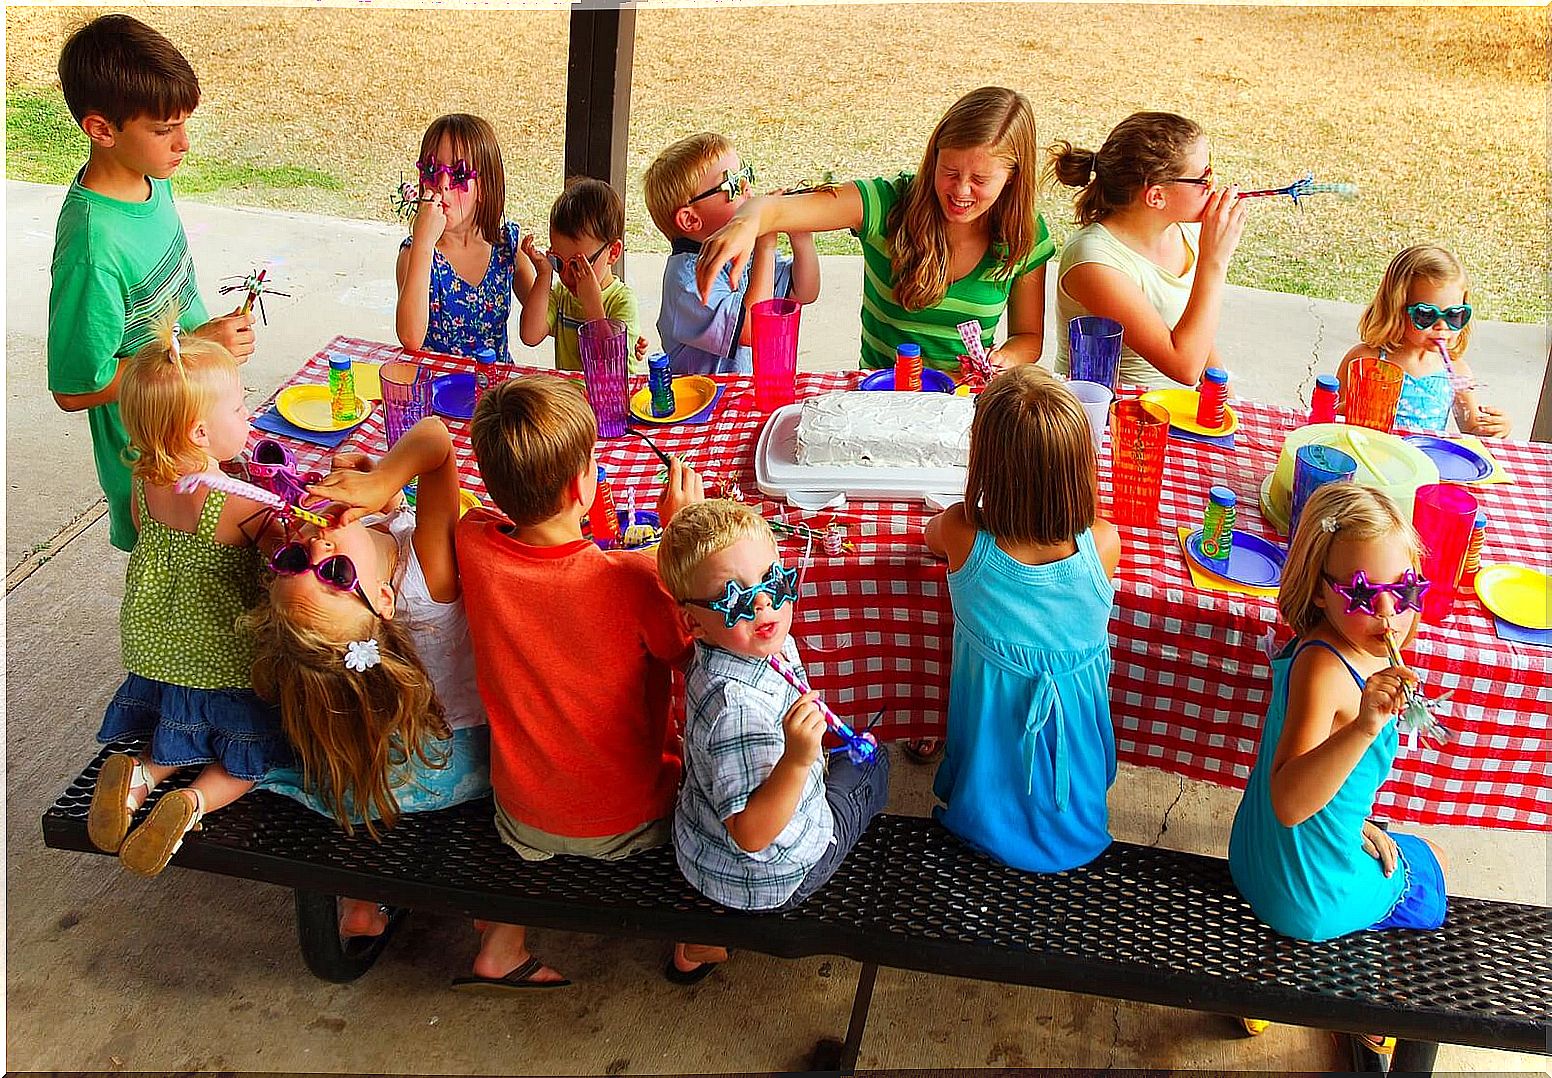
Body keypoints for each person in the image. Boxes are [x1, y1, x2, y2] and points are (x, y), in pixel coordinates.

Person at [452, 376, 719, 988]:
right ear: (581, 486)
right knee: (714, 783)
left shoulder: (474, 545)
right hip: (630, 819)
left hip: (518, 815)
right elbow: (692, 655)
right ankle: (695, 937)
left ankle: (501, 942)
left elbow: (489, 519)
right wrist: (680, 535)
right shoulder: (634, 578)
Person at [245, 417, 490, 941]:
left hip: (366, 773)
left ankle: (361, 901)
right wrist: (387, 480)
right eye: (334, 576)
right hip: (453, 764)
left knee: (359, 751)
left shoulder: (355, 616)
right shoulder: (429, 573)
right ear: (383, 600)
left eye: (294, 560)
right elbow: (436, 441)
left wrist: (379, 505)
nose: (315, 549)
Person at [85, 310, 286, 877]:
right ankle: (194, 801)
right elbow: (287, 566)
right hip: (224, 663)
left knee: (182, 734)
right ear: (201, 433)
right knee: (248, 756)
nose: (248, 414)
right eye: (241, 407)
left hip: (161, 654)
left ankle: (142, 777)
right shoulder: (243, 505)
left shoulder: (144, 484)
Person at [48, 13, 256, 552]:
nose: (183, 143)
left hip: (201, 434)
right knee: (174, 604)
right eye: (164, 130)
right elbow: (75, 389)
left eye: (184, 123)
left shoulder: (150, 182)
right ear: (102, 129)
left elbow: (173, 302)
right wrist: (194, 347)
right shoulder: (93, 248)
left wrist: (208, 344)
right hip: (156, 472)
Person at [694, 87, 1054, 373]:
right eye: (949, 171)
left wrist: (1004, 358)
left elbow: (1028, 338)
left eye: (979, 179)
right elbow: (775, 209)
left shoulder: (1026, 236)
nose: (960, 190)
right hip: (879, 400)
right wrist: (747, 220)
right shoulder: (887, 203)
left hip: (963, 407)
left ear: (1012, 179)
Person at [1229, 483, 1448, 943]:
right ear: (1320, 592)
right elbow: (1288, 804)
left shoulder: (1333, 644)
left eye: (1403, 588)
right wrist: (1367, 727)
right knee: (1432, 871)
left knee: (1392, 842)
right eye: (1363, 594)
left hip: (1258, 854)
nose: (1388, 615)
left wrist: (1352, 822)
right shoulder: (1325, 670)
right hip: (1304, 896)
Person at [657, 500, 890, 932]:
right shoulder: (736, 710)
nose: (764, 603)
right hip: (772, 876)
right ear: (694, 623)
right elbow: (751, 834)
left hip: (705, 847)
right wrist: (799, 759)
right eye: (734, 597)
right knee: (874, 765)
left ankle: (702, 938)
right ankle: (707, 936)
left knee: (841, 750)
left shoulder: (744, 643)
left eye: (773, 580)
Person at [924, 366, 1121, 872]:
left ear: (984, 463)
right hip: (1075, 796)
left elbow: (928, 536)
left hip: (981, 804)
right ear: (1082, 468)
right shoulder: (1104, 543)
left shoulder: (961, 533)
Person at [1047, 112, 1248, 389]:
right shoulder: (1093, 260)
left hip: (1172, 408)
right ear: (1156, 196)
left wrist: (1223, 392)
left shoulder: (1184, 231)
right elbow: (1185, 367)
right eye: (1203, 178)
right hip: (1109, 414)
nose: (1213, 186)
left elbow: (1198, 332)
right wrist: (1214, 261)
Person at [642, 133, 819, 374]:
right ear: (691, 219)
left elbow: (805, 292)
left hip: (744, 397)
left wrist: (800, 233)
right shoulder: (687, 282)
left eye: (744, 174)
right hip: (706, 405)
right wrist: (766, 242)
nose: (747, 187)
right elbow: (753, 329)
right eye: (732, 184)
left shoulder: (742, 251)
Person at [395, 113, 536, 360]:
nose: (442, 184)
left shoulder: (506, 247)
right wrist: (424, 243)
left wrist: (546, 275)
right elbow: (410, 338)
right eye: (431, 170)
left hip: (496, 394)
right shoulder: (415, 253)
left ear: (485, 187)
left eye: (459, 175)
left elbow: (543, 321)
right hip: (437, 394)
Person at [1338, 245, 1509, 438]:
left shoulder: (1455, 373)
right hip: (1369, 457)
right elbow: (1329, 415)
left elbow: (1472, 429)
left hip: (1425, 461)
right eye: (1426, 314)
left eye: (1454, 315)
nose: (1442, 326)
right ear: (1397, 309)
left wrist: (1496, 428)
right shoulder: (1364, 361)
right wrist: (1355, 408)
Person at [517, 176, 648, 372]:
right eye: (559, 262)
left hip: (613, 400)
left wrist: (592, 305)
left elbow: (611, 365)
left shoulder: (621, 302)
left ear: (612, 252)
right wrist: (544, 276)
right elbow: (530, 335)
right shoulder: (562, 295)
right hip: (572, 399)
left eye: (579, 265)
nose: (568, 275)